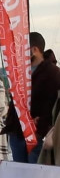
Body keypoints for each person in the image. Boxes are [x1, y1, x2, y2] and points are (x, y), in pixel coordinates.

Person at [27, 32, 60, 163]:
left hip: (37, 131)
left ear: (34, 49)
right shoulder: (20, 71)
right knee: (17, 174)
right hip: (17, 131)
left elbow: (54, 101)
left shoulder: (52, 72)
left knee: (35, 175)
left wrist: (42, 121)